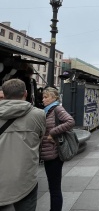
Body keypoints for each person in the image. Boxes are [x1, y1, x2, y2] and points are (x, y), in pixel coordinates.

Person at [0, 79, 46, 210]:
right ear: (25, 93)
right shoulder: (38, 114)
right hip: (25, 177)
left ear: (3, 94)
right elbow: (40, 138)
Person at [40, 87, 75, 211]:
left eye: (46, 97)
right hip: (47, 153)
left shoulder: (57, 108)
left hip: (54, 153)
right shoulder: (47, 110)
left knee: (54, 189)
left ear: (54, 98)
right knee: (52, 187)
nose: (43, 99)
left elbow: (70, 121)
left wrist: (53, 133)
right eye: (43, 97)